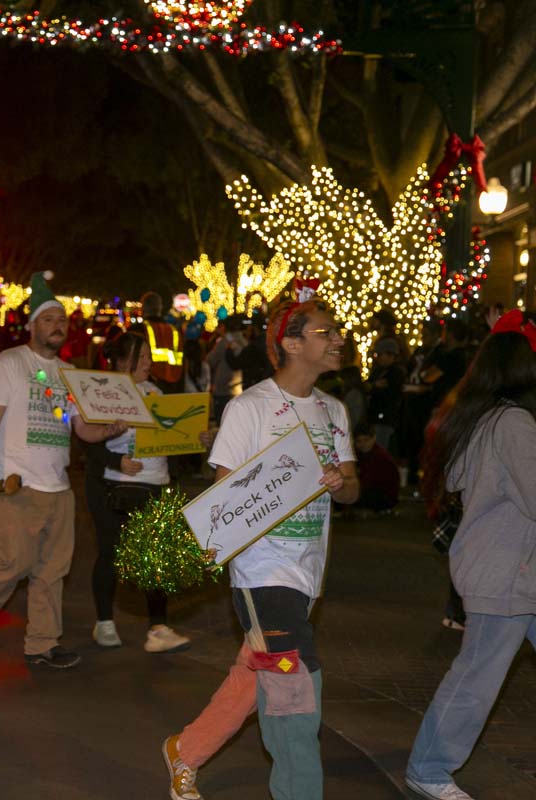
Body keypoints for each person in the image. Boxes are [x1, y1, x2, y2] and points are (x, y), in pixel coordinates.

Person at [162, 295, 358, 800]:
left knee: (257, 672)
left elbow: (354, 487)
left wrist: (340, 483)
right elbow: (227, 498)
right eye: (325, 332)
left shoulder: (333, 411)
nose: (338, 339)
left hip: (308, 570)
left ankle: (185, 750)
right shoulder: (250, 408)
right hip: (261, 572)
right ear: (291, 344)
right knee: (295, 681)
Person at [0, 271, 126, 669]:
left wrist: (110, 429)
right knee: (11, 564)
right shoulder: (9, 364)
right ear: (32, 324)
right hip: (14, 485)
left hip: (58, 487)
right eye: (48, 319)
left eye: (62, 320)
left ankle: (42, 644)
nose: (57, 326)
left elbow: (80, 428)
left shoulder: (68, 374)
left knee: (52, 571)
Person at [405, 312, 536, 800]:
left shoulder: (484, 417)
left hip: (510, 571)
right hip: (507, 575)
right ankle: (429, 767)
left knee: (477, 674)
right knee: (477, 677)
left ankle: (430, 765)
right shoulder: (515, 423)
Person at [83, 331, 193, 653]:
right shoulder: (103, 393)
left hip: (154, 483)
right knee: (112, 552)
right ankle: (104, 621)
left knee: (154, 558)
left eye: (148, 356)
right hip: (111, 485)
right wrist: (117, 460)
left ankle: (158, 628)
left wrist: (193, 439)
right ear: (119, 361)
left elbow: (172, 440)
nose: (147, 363)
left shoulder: (156, 393)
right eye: (139, 357)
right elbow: (87, 443)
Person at [352, 420, 399, 515]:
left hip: (383, 497)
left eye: (366, 440)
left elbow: (368, 482)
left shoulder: (380, 457)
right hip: (369, 491)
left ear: (374, 438)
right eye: (359, 441)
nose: (363, 444)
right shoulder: (358, 454)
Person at [367, 337, 406, 452]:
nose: (378, 358)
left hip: (386, 418)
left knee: (381, 448)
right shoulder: (378, 371)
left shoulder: (396, 373)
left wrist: (373, 387)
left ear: (391, 355)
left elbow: (391, 394)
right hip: (375, 416)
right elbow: (368, 386)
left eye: (380, 355)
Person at [140, 291, 185, 391]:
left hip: (146, 387)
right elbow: (182, 363)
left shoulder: (139, 330)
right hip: (172, 388)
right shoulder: (173, 331)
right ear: (160, 308)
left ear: (143, 308)